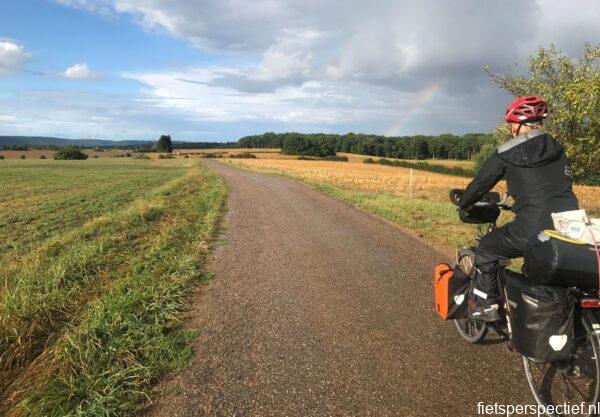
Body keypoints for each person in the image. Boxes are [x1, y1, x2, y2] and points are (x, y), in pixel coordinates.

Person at [458, 96, 579, 322]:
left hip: (532, 227)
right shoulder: (558, 149)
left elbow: (480, 184)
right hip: (570, 226)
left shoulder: (506, 152)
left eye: (512, 125)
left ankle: (487, 306)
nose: (512, 129)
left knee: (486, 248)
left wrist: (464, 203)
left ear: (521, 125)